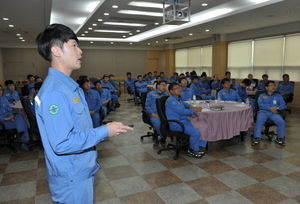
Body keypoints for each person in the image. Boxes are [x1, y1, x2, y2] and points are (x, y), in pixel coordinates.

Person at [35, 23, 133, 204]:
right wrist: (105, 131)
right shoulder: (56, 92)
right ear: (56, 51)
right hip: (71, 176)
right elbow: (62, 143)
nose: (80, 52)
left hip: (79, 170)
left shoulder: (68, 87)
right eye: (74, 46)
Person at [166, 83, 207, 158]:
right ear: (171, 91)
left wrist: (190, 106)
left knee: (203, 126)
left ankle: (200, 146)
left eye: (178, 87)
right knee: (196, 132)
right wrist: (194, 110)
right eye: (176, 88)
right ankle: (192, 149)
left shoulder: (177, 99)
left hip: (184, 121)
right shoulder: (171, 100)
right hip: (177, 124)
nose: (179, 89)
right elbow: (181, 111)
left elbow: (184, 104)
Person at [252, 81, 286, 146]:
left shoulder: (278, 96)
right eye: (271, 85)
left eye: (274, 85)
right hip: (263, 112)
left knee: (281, 121)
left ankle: (279, 138)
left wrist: (277, 108)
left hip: (274, 113)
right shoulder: (262, 95)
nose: (273, 87)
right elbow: (260, 104)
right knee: (259, 121)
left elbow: (283, 104)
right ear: (266, 87)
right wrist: (270, 108)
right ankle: (256, 137)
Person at [0, 85, 30, 151]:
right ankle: (23, 141)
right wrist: (5, 118)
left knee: (20, 116)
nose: (0, 92)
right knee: (21, 124)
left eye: (1, 90)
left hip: (7, 119)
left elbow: (9, 109)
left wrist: (11, 116)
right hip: (1, 122)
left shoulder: (3, 99)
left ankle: (22, 137)